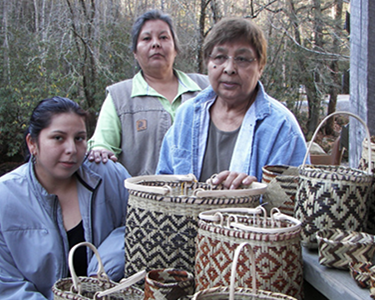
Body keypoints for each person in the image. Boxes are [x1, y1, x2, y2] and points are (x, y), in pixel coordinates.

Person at [0, 96, 130, 299]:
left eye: (79, 138)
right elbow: (6, 283)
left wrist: (102, 269)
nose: (71, 149)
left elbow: (142, 228)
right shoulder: (5, 197)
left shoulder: (110, 177)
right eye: (58, 138)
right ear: (32, 143)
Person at [156, 17, 309, 189]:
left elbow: (295, 200)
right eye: (220, 57)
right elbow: (163, 184)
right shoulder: (187, 116)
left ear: (260, 67)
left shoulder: (282, 127)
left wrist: (251, 192)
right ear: (208, 62)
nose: (229, 68)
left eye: (242, 59)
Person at [88, 9, 209, 176]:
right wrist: (100, 150)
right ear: (135, 53)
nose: (155, 44)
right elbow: (102, 146)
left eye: (163, 37)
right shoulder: (119, 96)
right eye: (146, 38)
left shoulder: (206, 88)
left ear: (175, 49)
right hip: (143, 200)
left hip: (204, 199)